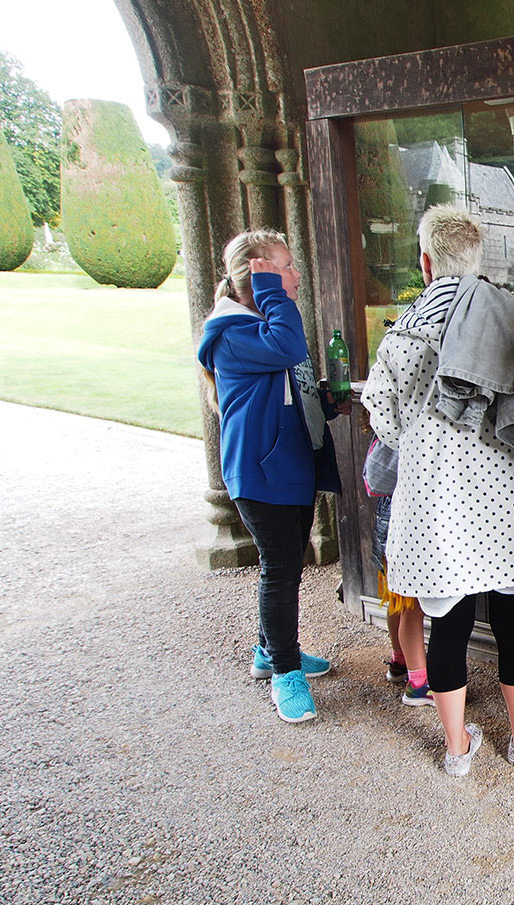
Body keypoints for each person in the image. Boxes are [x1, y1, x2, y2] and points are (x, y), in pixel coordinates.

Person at [362, 206, 514, 776]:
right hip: (510, 507)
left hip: (438, 510)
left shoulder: (402, 337)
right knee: (513, 622)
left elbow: (385, 421)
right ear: (477, 261)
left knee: (447, 629)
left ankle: (457, 749)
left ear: (426, 262)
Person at [198, 230, 346, 724]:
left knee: (288, 563)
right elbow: (287, 347)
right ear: (258, 277)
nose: (296, 275)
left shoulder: (262, 326)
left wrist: (324, 403)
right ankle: (285, 671)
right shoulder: (233, 333)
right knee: (280, 570)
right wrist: (272, 293)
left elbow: (284, 389)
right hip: (262, 474)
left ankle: (271, 650)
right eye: (285, 267)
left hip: (289, 467)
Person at [362, 434, 432, 706]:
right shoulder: (407, 431)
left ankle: (399, 660)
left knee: (398, 601)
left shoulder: (384, 430)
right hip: (404, 520)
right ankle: (418, 684)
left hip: (386, 518)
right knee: (412, 608)